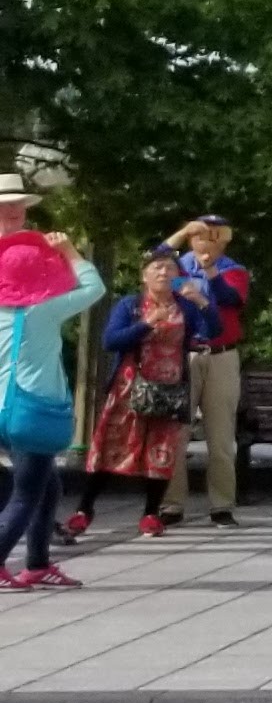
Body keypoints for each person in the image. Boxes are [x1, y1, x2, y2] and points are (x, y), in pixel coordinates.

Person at [74, 251, 210, 540]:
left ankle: (151, 513)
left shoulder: (185, 307)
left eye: (170, 269)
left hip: (169, 389)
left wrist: (202, 303)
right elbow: (111, 340)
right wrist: (147, 323)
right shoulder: (131, 305)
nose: (164, 273)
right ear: (144, 276)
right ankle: (84, 509)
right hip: (129, 387)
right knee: (110, 447)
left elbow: (214, 330)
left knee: (161, 451)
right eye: (157, 268)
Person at [0, 232, 99, 587]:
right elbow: (93, 287)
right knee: (27, 493)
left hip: (4, 410)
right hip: (31, 412)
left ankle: (38, 563)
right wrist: (69, 251)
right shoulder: (43, 310)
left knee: (49, 486)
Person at [164, 216, 247, 527]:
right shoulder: (178, 267)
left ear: (223, 241)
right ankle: (171, 505)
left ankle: (221, 505)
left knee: (221, 436)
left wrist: (210, 269)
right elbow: (153, 260)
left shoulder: (232, 269)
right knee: (175, 435)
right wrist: (182, 230)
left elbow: (230, 299)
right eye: (198, 236)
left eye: (213, 237)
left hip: (221, 355)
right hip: (184, 354)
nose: (204, 242)